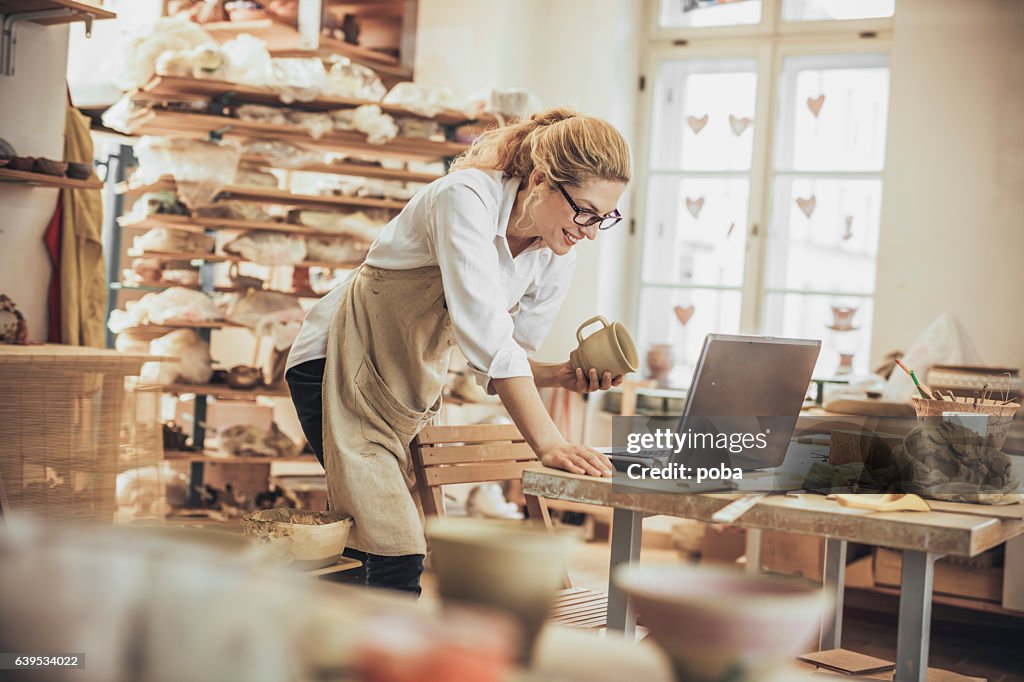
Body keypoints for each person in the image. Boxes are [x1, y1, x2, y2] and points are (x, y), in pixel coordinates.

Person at [285, 107, 631, 595]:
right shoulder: (464, 197)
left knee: (372, 544)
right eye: (585, 211)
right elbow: (490, 342)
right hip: (334, 365)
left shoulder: (555, 253)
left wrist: (561, 375)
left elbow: (502, 360)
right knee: (391, 549)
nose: (590, 231)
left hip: (403, 389)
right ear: (540, 180)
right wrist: (550, 443)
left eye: (605, 218)